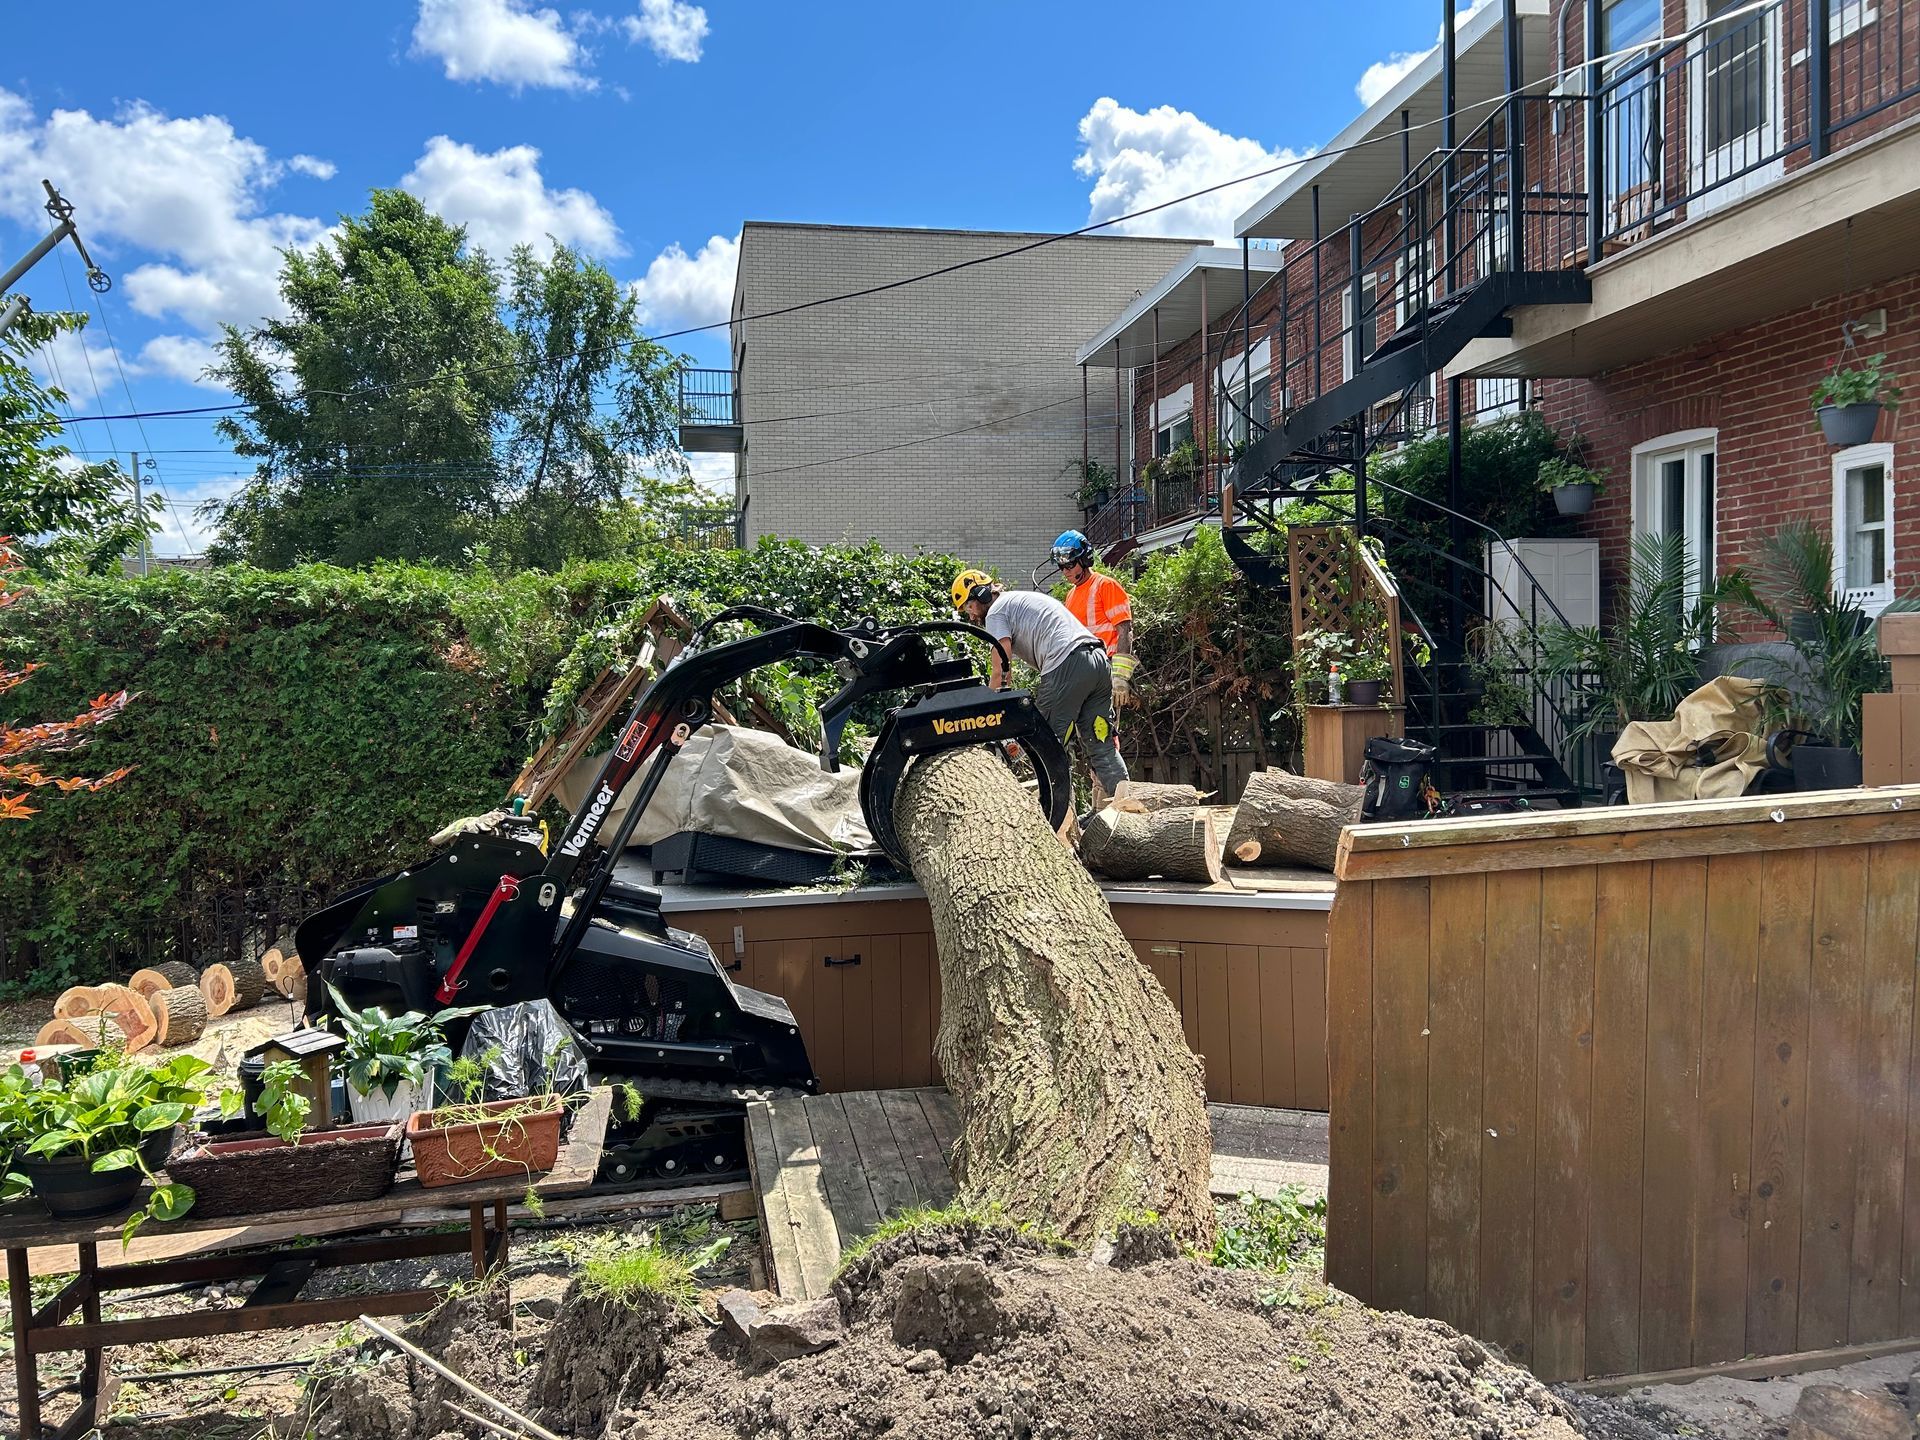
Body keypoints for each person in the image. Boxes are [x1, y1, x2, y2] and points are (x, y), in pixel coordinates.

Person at [951, 568, 1128, 796]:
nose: (971, 616)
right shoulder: (1018, 600)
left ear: (982, 595)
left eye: (968, 607)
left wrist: (987, 717)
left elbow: (1002, 674)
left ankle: (1055, 818)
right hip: (1098, 662)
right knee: (1101, 743)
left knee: (1044, 746)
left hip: (1067, 665)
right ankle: (1125, 812)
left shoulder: (995, 612)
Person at [1050, 530, 1138, 709]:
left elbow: (1125, 631)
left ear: (1084, 560)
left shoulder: (1105, 586)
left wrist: (1120, 676)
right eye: (1061, 567)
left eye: (1069, 566)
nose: (1065, 571)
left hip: (1105, 670)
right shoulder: (1071, 595)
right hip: (1083, 674)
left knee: (1103, 729)